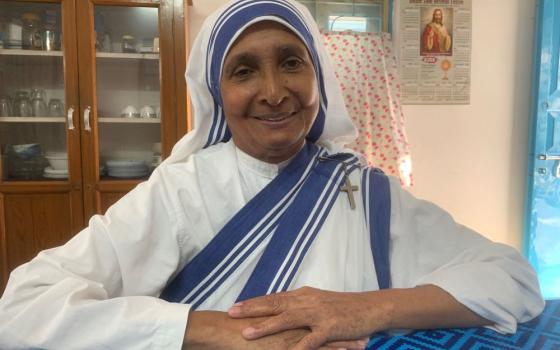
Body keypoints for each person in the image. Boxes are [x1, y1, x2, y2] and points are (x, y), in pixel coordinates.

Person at [0, 0, 544, 349]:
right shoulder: (181, 190)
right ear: (217, 92)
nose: (274, 91)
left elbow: (514, 281)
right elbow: (24, 307)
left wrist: (359, 310)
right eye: (244, 71)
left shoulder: (364, 190)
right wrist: (208, 330)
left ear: (318, 79)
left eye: (290, 62)